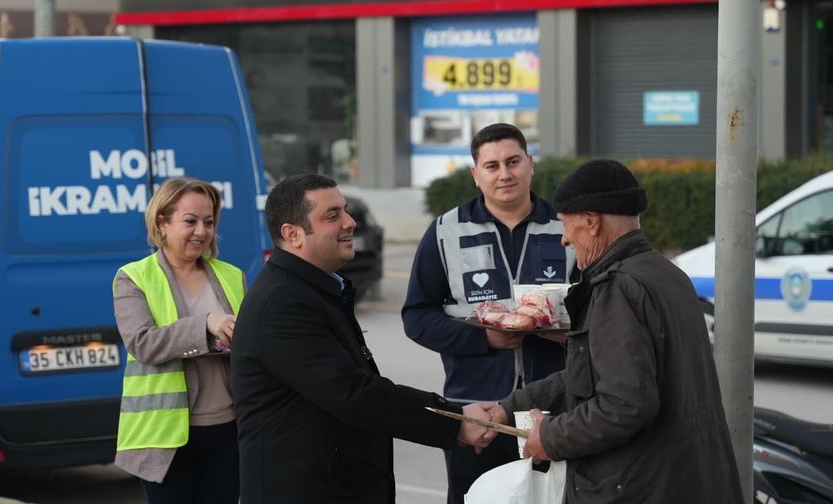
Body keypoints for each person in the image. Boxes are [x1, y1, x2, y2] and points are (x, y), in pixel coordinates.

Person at [476, 159, 742, 502]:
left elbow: (624, 405)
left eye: (566, 225)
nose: (564, 240)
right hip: (691, 481)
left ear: (591, 221)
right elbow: (591, 375)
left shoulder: (618, 288)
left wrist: (550, 437)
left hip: (646, 487)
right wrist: (509, 406)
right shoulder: (666, 273)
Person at [230, 174, 493, 503]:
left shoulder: (316, 290)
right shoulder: (282, 303)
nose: (350, 222)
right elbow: (352, 393)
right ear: (292, 234)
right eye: (332, 215)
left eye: (346, 210)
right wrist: (453, 422)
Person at [402, 122, 572, 503]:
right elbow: (416, 317)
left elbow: (597, 312)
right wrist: (484, 338)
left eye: (513, 161)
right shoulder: (446, 231)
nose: (505, 173)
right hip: (477, 407)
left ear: (530, 164)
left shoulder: (565, 227)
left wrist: (565, 332)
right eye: (492, 166)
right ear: (475, 175)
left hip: (555, 407)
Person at [112, 177, 245, 503]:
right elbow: (143, 343)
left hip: (228, 429)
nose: (201, 231)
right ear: (162, 222)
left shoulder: (232, 276)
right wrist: (206, 325)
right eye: (190, 221)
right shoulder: (133, 278)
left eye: (209, 222)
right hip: (163, 438)